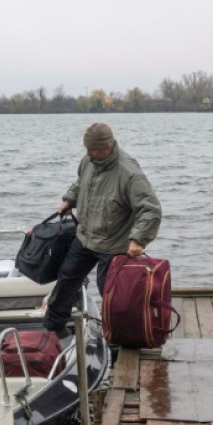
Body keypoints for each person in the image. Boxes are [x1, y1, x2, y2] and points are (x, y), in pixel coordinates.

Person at [43, 122, 162, 339]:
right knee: (66, 278)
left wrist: (139, 239)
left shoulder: (129, 173)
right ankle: (54, 326)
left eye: (93, 149)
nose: (88, 153)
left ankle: (116, 338)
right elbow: (81, 183)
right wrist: (69, 199)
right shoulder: (88, 161)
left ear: (107, 147)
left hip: (114, 244)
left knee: (112, 295)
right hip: (85, 236)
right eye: (86, 148)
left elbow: (150, 209)